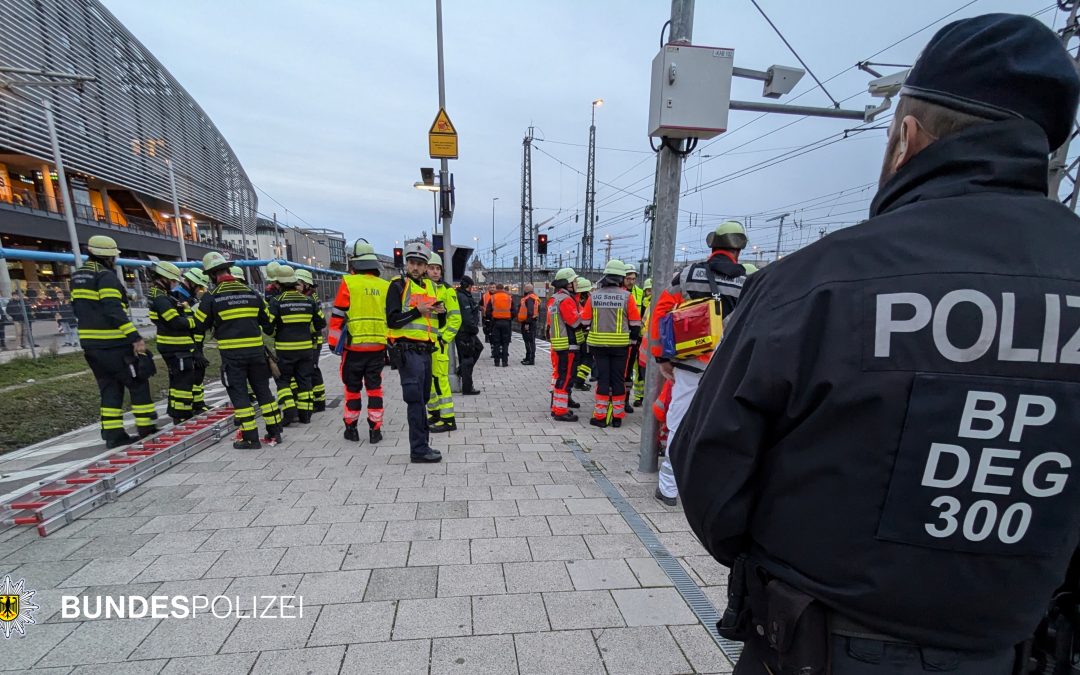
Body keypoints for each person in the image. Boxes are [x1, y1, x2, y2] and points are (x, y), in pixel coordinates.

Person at [672, 14, 1080, 674]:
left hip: (817, 647)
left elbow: (710, 479)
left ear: (906, 139)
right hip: (1013, 649)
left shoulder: (813, 284)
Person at [649, 221, 750, 506]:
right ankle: (708, 489)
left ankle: (668, 488)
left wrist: (662, 357)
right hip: (727, 368)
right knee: (720, 426)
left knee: (679, 422)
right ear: (738, 251)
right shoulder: (747, 283)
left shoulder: (688, 274)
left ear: (712, 246)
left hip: (690, 363)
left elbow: (661, 313)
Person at [71, 235, 157, 447]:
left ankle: (113, 435)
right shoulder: (105, 276)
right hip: (114, 344)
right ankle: (146, 427)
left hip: (91, 347)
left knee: (110, 389)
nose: (115, 261)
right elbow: (113, 310)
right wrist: (135, 337)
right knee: (137, 382)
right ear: (108, 257)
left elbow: (77, 309)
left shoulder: (78, 276)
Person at [194, 252, 283, 449]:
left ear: (211, 275)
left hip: (232, 357)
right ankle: (275, 432)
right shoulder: (252, 293)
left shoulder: (212, 297)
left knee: (240, 395)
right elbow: (268, 324)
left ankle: (250, 438)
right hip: (257, 353)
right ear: (228, 270)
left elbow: (198, 325)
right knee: (263, 391)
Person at [385, 243, 443, 463]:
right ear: (407, 264)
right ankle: (418, 450)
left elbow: (434, 321)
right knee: (415, 400)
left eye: (420, 264)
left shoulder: (430, 287)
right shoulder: (398, 286)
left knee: (424, 398)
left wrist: (441, 312)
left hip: (425, 351)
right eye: (412, 263)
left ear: (427, 266)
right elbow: (392, 319)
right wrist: (417, 311)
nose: (416, 267)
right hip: (407, 351)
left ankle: (423, 445)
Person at [328, 241, 390, 443]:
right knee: (375, 388)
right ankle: (375, 430)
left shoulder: (349, 283)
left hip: (353, 348)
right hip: (378, 347)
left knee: (352, 389)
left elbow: (337, 315)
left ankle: (351, 428)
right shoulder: (385, 286)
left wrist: (332, 342)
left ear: (354, 264)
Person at [584, 260, 641, 428]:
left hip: (598, 345)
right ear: (621, 278)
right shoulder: (627, 297)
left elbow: (585, 320)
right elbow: (636, 323)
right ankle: (617, 417)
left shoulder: (594, 296)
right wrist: (632, 341)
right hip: (620, 347)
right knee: (618, 379)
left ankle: (600, 417)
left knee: (603, 379)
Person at [267, 266, 325, 426]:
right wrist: (306, 327)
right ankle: (305, 415)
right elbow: (321, 323)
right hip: (306, 348)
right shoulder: (309, 301)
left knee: (283, 380)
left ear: (279, 284)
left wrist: (277, 333)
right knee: (304, 380)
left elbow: (269, 327)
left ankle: (289, 409)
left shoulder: (276, 302)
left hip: (285, 349)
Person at [147, 260, 198, 425]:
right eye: (174, 281)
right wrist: (192, 321)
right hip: (175, 346)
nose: (175, 284)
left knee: (177, 381)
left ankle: (177, 412)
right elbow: (175, 322)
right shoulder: (161, 299)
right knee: (183, 381)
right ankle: (182, 414)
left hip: (173, 345)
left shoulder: (160, 295)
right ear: (165, 279)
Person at [423, 253, 462, 432]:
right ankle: (435, 413)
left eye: (438, 268)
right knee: (429, 381)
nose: (435, 271)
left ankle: (448, 419)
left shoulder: (447, 290)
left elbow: (455, 319)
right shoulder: (422, 288)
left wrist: (443, 338)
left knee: (440, 380)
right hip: (424, 342)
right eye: (432, 268)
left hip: (438, 343)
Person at [547, 268, 582, 422]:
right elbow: (574, 322)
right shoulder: (566, 300)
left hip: (560, 344)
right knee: (566, 378)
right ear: (567, 284)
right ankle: (561, 411)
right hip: (569, 345)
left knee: (561, 377)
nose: (577, 283)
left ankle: (557, 408)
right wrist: (586, 315)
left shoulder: (554, 299)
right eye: (574, 281)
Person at [176, 268, 210, 413]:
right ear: (192, 283)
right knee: (187, 377)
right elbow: (182, 326)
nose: (201, 291)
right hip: (186, 344)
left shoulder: (190, 298)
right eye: (200, 287)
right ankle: (183, 410)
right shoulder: (178, 297)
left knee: (198, 372)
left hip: (196, 342)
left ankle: (198, 403)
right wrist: (193, 350)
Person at [295, 268, 328, 412]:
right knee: (310, 368)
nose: (296, 287)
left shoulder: (312, 299)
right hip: (309, 340)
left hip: (314, 340)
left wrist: (305, 329)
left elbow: (319, 322)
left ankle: (319, 402)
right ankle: (317, 399)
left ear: (306, 285)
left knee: (313, 369)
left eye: (298, 284)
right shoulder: (305, 298)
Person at [454, 275, 483, 395]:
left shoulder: (464, 295)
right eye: (471, 286)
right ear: (468, 286)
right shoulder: (462, 297)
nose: (472, 288)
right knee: (467, 359)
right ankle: (467, 387)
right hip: (465, 332)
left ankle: (461, 371)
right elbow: (466, 317)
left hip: (467, 331)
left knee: (478, 348)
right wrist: (474, 329)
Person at [632, 278, 653, 406]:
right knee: (639, 370)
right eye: (648, 290)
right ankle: (639, 396)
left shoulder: (656, 303)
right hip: (641, 340)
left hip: (650, 341)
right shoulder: (641, 303)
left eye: (652, 290)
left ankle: (648, 396)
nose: (650, 292)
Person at [571, 276, 593, 393]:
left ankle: (577, 379)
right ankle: (579, 380)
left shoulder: (574, 300)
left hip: (577, 334)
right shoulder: (589, 300)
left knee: (579, 358)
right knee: (588, 359)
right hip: (588, 333)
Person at [485, 283, 514, 367]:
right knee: (505, 342)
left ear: (497, 289)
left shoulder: (493, 297)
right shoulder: (509, 298)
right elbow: (514, 311)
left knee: (496, 342)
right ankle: (505, 362)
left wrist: (491, 319)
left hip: (496, 322)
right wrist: (509, 318)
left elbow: (488, 311)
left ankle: (496, 362)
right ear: (503, 289)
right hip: (506, 322)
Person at [517, 283, 540, 365]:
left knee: (529, 341)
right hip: (530, 322)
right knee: (529, 341)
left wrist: (527, 322)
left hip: (528, 323)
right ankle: (528, 357)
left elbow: (530, 312)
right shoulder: (534, 298)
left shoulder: (529, 299)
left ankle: (530, 359)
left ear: (526, 290)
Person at [481, 282, 496, 357]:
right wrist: (483, 310)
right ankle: (493, 349)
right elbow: (480, 305)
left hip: (496, 318)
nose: (492, 289)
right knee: (490, 334)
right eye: (491, 287)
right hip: (487, 318)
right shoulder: (485, 296)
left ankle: (497, 350)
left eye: (493, 287)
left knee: (496, 335)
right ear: (488, 288)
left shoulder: (498, 296)